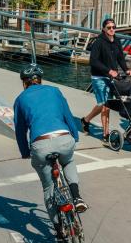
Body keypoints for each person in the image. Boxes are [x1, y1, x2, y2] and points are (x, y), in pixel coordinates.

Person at [13, 65, 89, 231]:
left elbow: (20, 130)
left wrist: (25, 152)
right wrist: (74, 136)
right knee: (68, 161)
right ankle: (76, 197)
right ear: (40, 80)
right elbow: (67, 115)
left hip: (41, 144)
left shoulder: (20, 99)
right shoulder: (55, 91)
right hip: (64, 138)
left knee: (49, 187)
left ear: (24, 83)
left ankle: (59, 230)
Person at [80, 18, 131, 146]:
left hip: (112, 77)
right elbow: (93, 61)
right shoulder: (98, 42)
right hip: (99, 77)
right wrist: (109, 70)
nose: (112, 29)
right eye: (109, 27)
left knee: (103, 103)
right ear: (104, 29)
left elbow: (120, 57)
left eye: (114, 27)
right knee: (106, 104)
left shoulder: (116, 41)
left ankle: (86, 120)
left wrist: (126, 70)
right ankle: (106, 134)